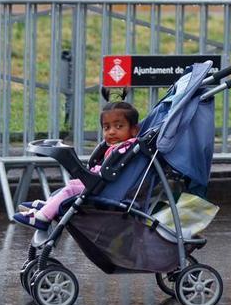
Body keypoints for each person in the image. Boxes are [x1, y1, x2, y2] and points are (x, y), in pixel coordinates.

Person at [14, 102, 139, 242]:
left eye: (119, 126)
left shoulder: (127, 148)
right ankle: (48, 206)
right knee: (71, 186)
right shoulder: (122, 146)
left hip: (106, 187)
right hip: (102, 182)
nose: (111, 132)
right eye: (106, 127)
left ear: (134, 130)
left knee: (70, 190)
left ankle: (42, 218)